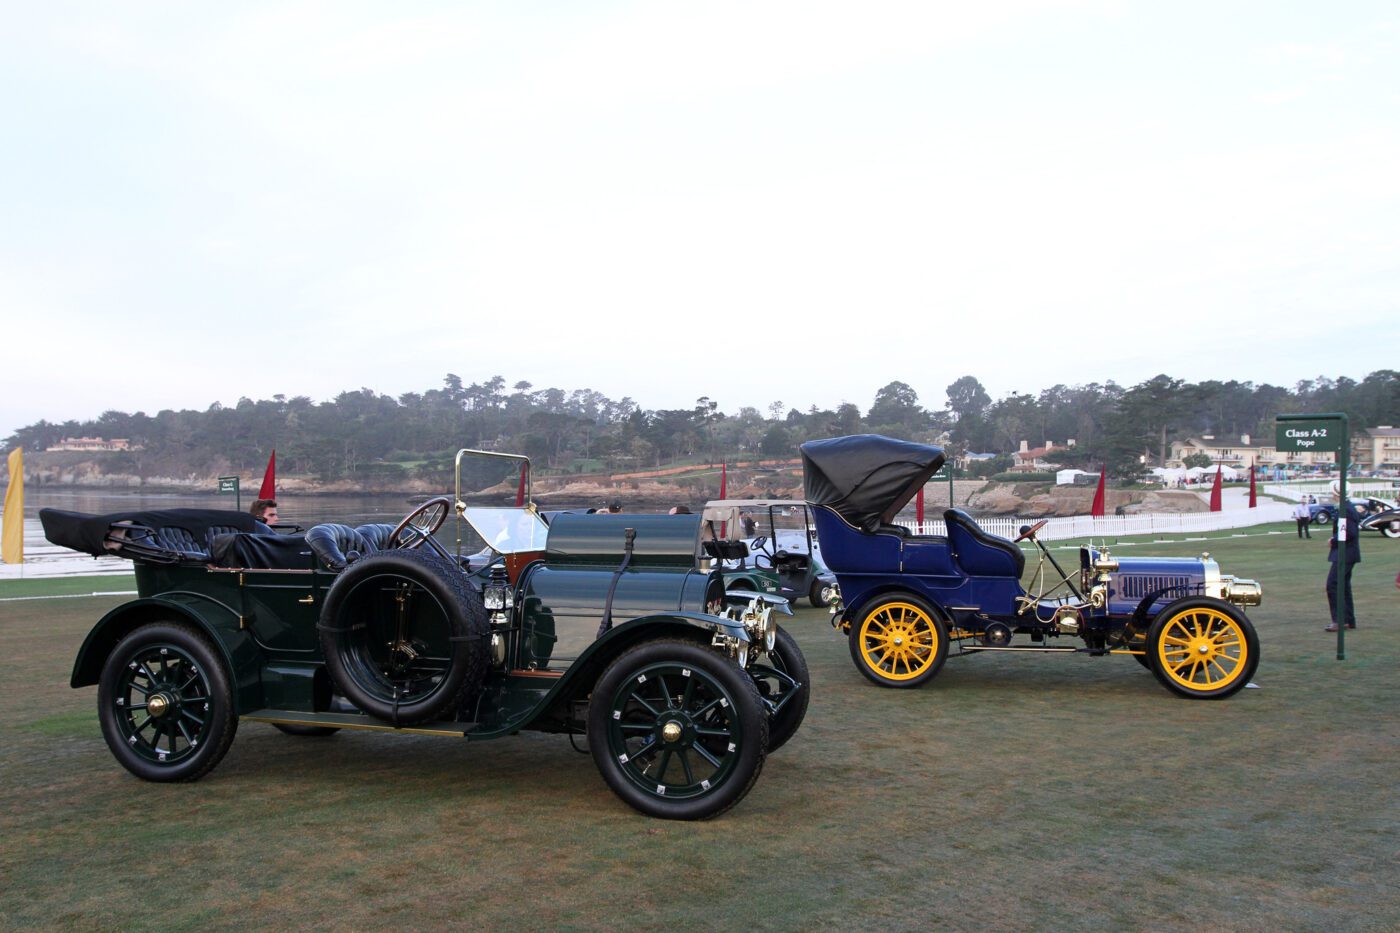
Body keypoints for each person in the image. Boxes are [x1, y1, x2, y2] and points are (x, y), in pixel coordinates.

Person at [1324, 481, 1362, 632]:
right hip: (1348, 553)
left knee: (1333, 584)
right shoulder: (1348, 508)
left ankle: (1339, 620)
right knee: (1344, 586)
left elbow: (1348, 533)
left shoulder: (1345, 509)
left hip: (1345, 553)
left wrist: (1333, 540)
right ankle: (1348, 619)